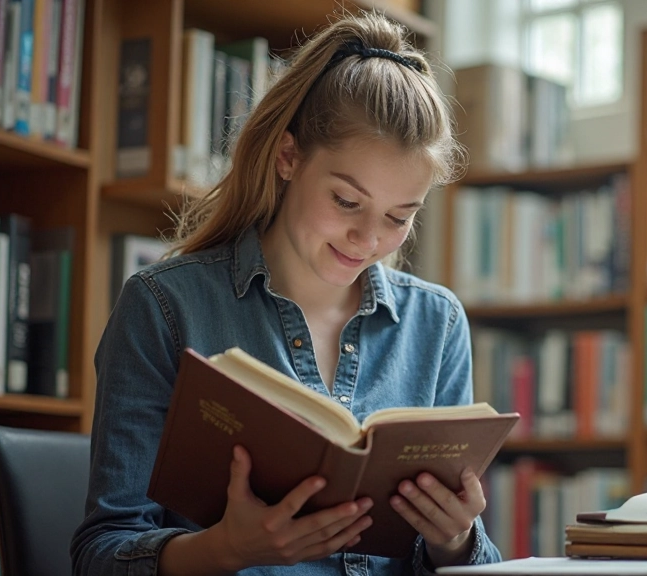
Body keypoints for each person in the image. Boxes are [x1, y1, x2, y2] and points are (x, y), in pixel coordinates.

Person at [70, 10, 503, 576]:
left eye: (400, 216)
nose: (369, 239)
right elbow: (100, 556)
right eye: (347, 202)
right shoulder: (165, 307)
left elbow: (472, 562)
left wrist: (457, 540)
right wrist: (228, 550)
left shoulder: (437, 324)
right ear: (288, 156)